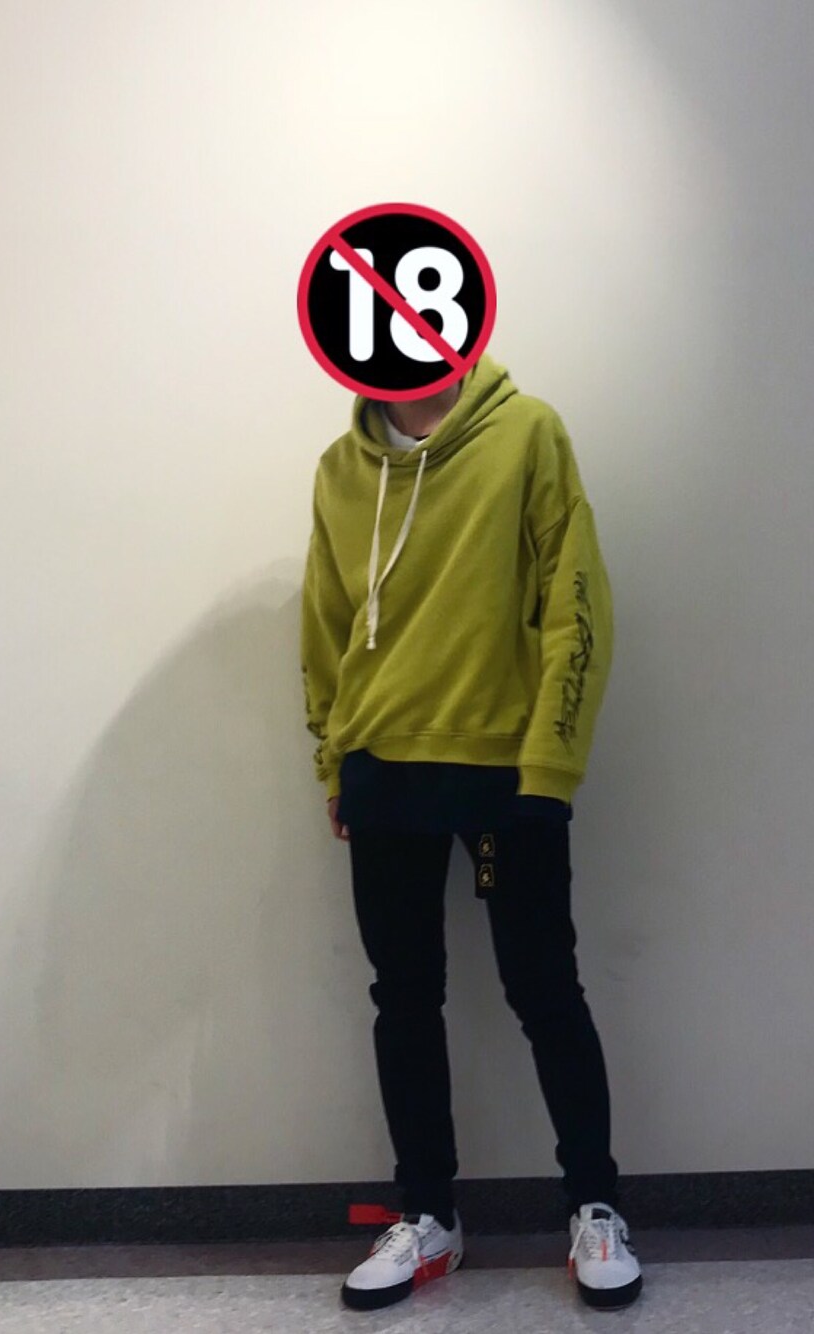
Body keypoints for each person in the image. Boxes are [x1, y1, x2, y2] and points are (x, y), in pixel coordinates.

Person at [300, 351, 643, 1312]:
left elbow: (576, 601)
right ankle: (429, 1217)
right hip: (383, 770)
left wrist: (551, 764)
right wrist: (335, 760)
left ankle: (595, 1204)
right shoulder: (339, 469)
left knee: (542, 985)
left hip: (503, 773)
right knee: (403, 998)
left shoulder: (527, 432)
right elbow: (326, 623)